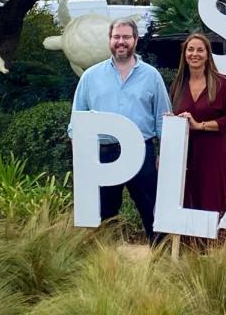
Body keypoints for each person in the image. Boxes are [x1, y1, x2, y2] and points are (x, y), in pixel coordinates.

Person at [70, 18, 171, 244]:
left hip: (142, 153)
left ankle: (160, 264)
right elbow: (76, 122)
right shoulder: (90, 76)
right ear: (110, 40)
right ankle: (105, 267)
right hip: (103, 155)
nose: (121, 42)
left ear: (135, 40)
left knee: (153, 211)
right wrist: (81, 158)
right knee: (104, 215)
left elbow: (163, 119)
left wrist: (163, 154)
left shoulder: (151, 76)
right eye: (116, 37)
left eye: (126, 37)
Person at [169, 33, 226, 217]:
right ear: (184, 54)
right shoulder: (178, 85)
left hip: (212, 152)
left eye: (200, 50)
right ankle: (189, 244)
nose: (195, 54)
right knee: (187, 197)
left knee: (211, 198)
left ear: (208, 54)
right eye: (190, 49)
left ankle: (214, 244)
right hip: (185, 153)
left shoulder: (222, 84)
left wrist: (200, 125)